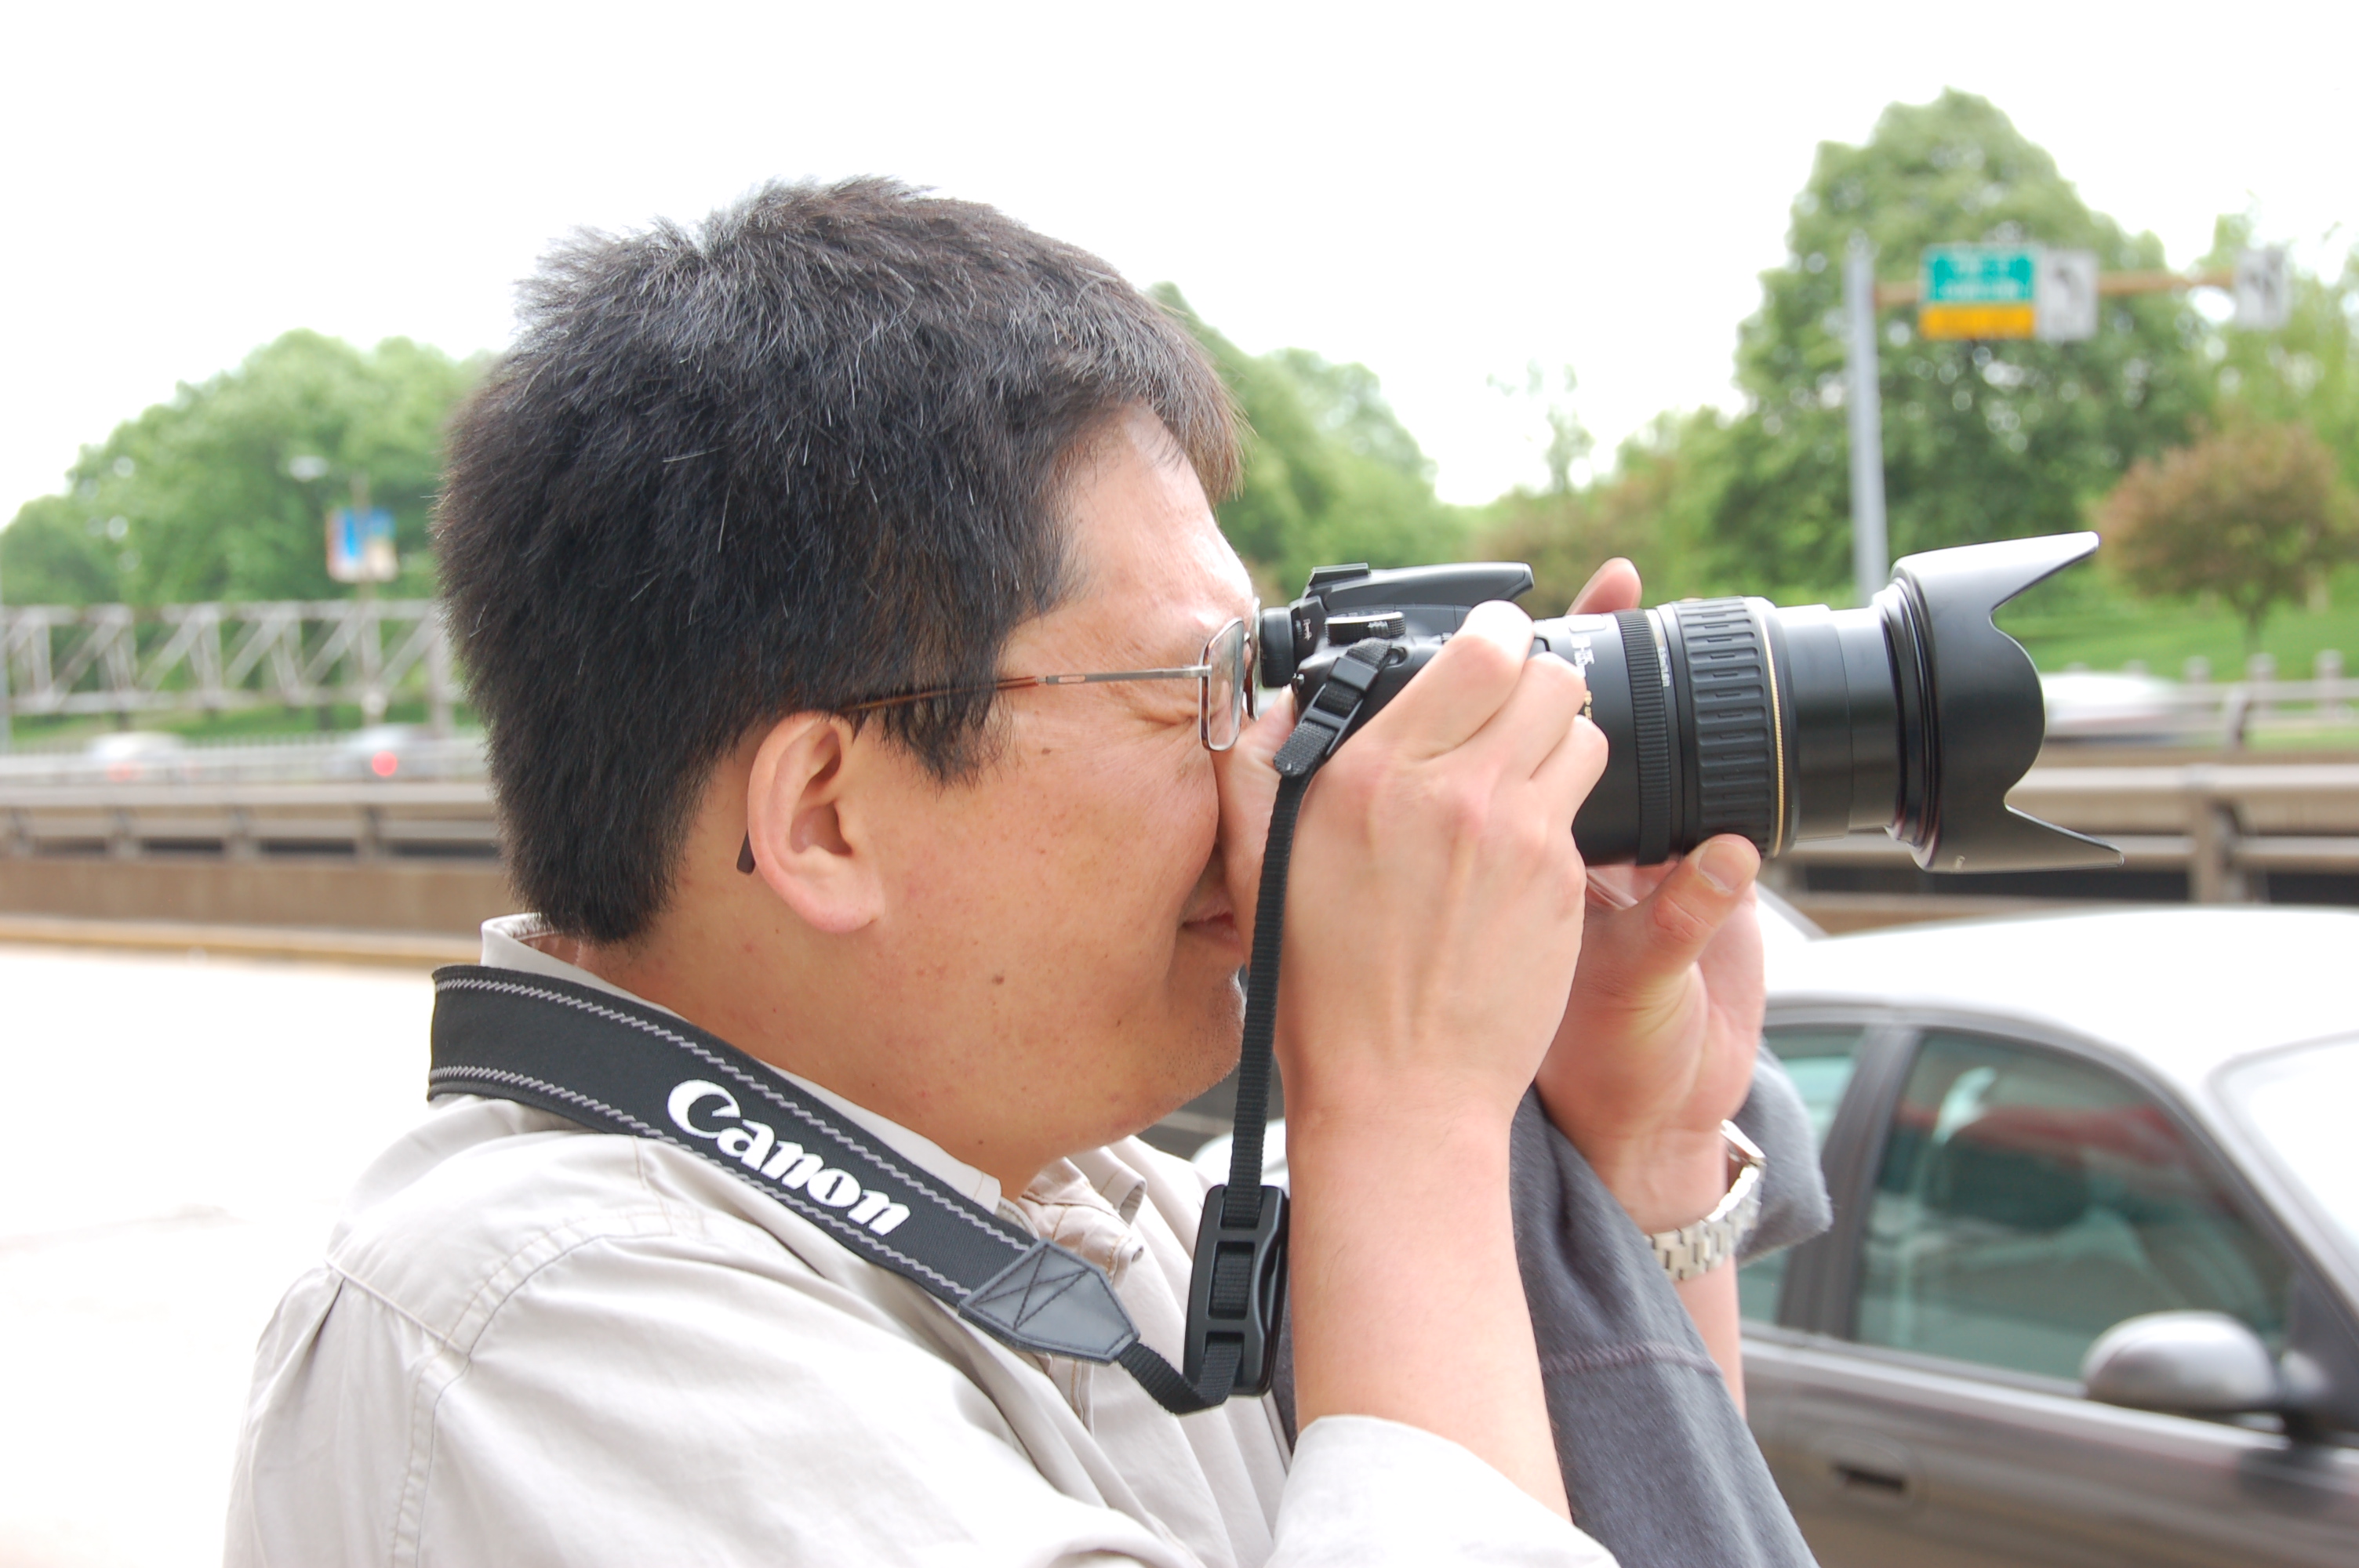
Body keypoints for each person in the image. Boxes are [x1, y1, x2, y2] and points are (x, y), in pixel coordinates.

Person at [226, 180, 1823, 1566]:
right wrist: (1409, 1108)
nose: (1266, 764)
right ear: (825, 817)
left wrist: (1637, 1151)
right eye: (1201, 691)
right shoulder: (549, 1329)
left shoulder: (1100, 1218)